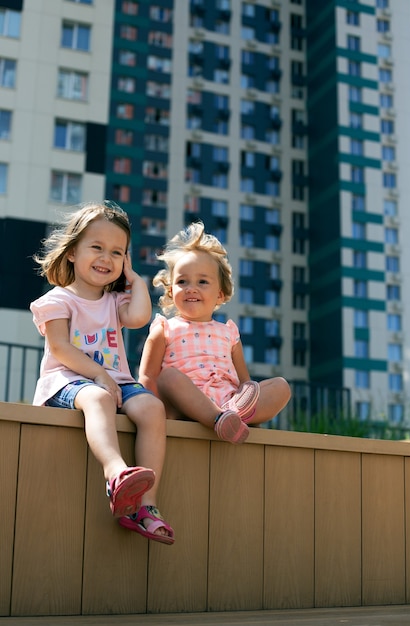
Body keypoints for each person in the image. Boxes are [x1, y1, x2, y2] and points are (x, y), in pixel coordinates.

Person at [30, 201, 174, 545]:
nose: (106, 258)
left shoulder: (113, 302)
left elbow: (139, 318)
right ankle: (116, 474)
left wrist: (136, 280)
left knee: (153, 408)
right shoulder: (57, 300)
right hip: (67, 381)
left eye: (117, 252)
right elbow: (62, 349)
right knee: (98, 398)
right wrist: (99, 375)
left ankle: (146, 506)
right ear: (71, 252)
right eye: (96, 247)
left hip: (116, 382)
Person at [139, 221, 291, 444]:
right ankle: (219, 419)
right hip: (183, 408)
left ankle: (235, 417)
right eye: (182, 281)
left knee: (281, 386)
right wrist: (151, 411)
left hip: (229, 402)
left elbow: (245, 384)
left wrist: (247, 403)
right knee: (168, 377)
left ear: (220, 295)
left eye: (202, 281)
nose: (192, 287)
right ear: (171, 292)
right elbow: (148, 376)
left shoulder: (229, 333)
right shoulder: (165, 329)